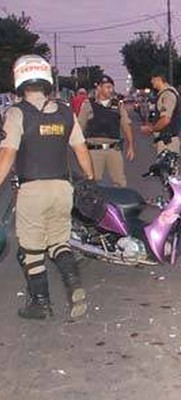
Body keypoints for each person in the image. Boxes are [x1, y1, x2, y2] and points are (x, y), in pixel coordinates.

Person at [0, 55, 95, 320]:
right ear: (47, 80)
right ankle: (74, 285)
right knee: (58, 243)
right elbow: (81, 150)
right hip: (63, 189)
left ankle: (41, 303)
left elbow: (7, 156)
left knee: (31, 249)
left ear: (19, 80)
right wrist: (90, 181)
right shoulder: (66, 112)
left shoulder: (17, 113)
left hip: (33, 191)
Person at [78, 75, 134, 187]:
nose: (111, 90)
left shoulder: (117, 105)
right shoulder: (88, 105)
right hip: (94, 150)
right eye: (107, 87)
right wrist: (80, 149)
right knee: (92, 182)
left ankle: (119, 203)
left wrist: (130, 145)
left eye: (111, 87)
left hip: (114, 150)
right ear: (99, 88)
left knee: (120, 182)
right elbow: (79, 128)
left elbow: (126, 125)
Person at [141, 70, 181, 154]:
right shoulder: (164, 93)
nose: (151, 82)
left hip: (168, 142)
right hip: (166, 140)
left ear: (158, 79)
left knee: (164, 166)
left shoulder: (167, 95)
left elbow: (165, 120)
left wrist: (151, 129)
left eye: (152, 79)